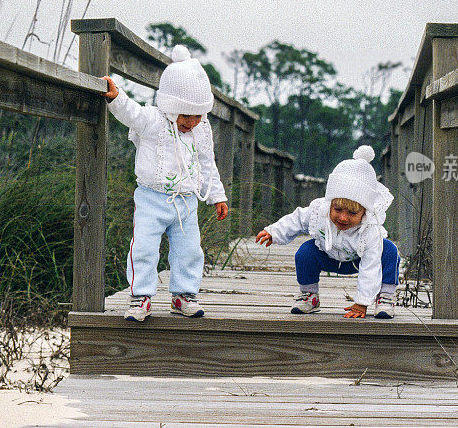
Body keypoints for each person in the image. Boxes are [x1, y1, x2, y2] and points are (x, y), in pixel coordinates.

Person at [99, 45, 228, 321]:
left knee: (189, 249)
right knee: (144, 247)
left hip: (187, 201)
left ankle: (184, 295)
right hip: (151, 198)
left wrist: (217, 196)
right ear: (169, 106)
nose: (191, 122)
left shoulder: (201, 130)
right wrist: (117, 96)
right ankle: (140, 297)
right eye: (185, 115)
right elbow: (130, 112)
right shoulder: (153, 121)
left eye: (198, 115)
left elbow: (207, 163)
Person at [255, 145, 398, 319]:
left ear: (365, 212)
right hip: (327, 256)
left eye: (352, 213)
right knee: (305, 252)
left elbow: (371, 266)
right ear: (330, 203)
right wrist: (274, 232)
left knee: (389, 250)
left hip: (358, 260)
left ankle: (385, 296)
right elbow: (297, 219)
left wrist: (361, 302)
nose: (343, 218)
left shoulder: (370, 229)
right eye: (337, 209)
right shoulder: (319, 212)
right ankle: (309, 295)